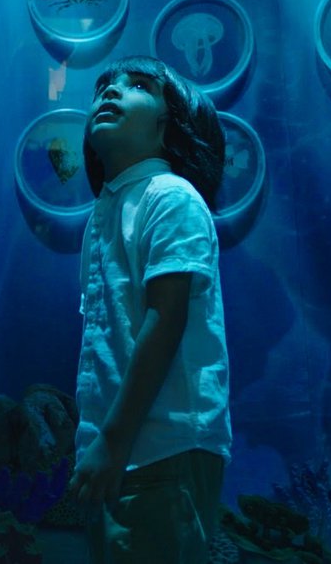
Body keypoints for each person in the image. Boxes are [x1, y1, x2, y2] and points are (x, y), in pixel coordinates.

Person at [67, 55, 231, 563]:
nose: (111, 92)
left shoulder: (170, 195)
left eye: (137, 85)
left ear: (169, 123)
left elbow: (166, 319)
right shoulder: (102, 215)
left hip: (165, 446)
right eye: (104, 86)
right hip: (117, 451)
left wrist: (113, 443)